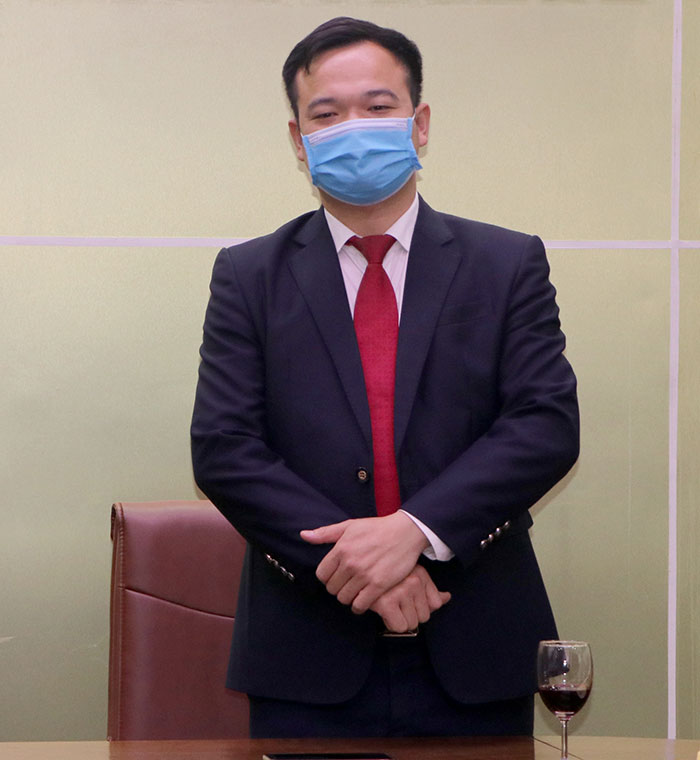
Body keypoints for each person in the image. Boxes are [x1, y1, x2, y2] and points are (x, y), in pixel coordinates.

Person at [191, 16, 579, 739]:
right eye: (327, 114)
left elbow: (544, 426)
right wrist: (362, 567)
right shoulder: (248, 275)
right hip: (306, 653)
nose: (354, 129)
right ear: (298, 139)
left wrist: (414, 533)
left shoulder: (506, 263)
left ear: (419, 123)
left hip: (478, 643)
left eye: (377, 107)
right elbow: (225, 449)